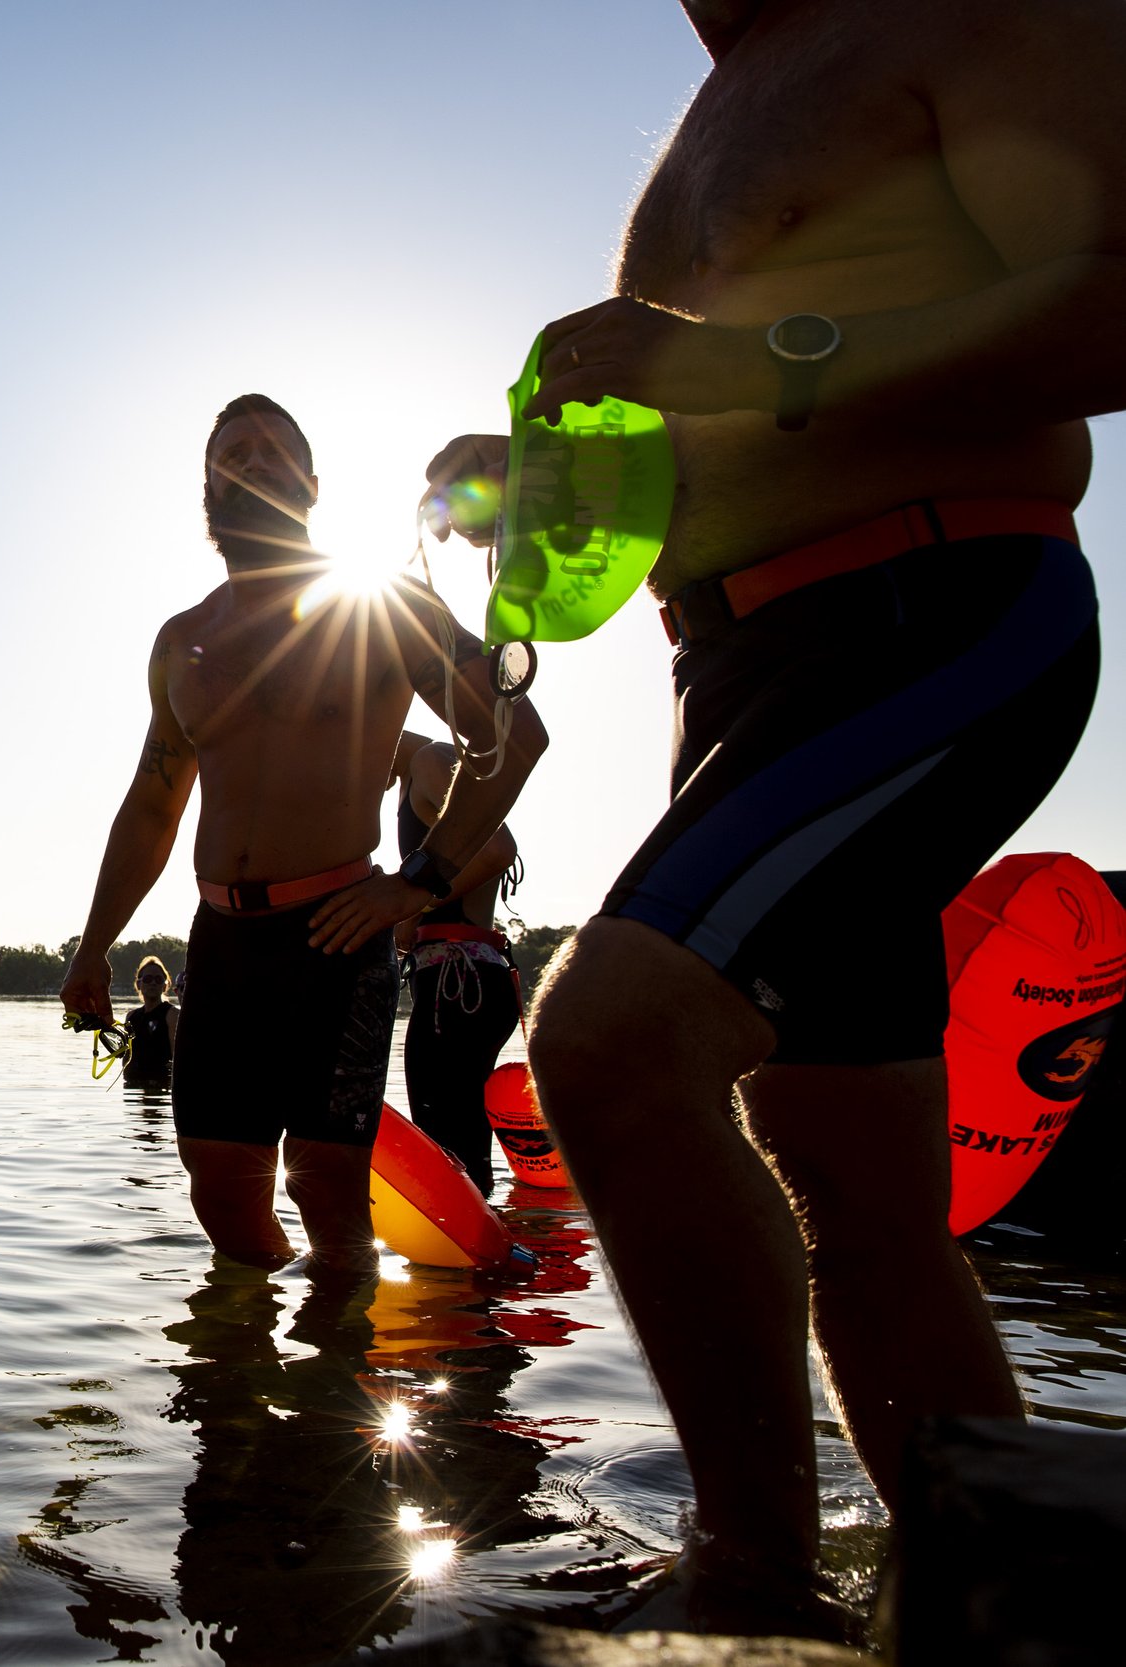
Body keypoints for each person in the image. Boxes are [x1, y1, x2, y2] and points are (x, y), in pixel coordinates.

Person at [419, 0, 1118, 1632]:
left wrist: (743, 361)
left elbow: (1111, 298)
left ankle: (754, 1581)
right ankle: (996, 1581)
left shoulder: (959, 15)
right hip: (737, 665)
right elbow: (737, 388)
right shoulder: (724, 103)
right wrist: (545, 485)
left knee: (609, 1041)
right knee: (853, 1178)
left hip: (934, 611)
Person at [62, 395, 545, 1274]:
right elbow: (150, 804)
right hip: (221, 939)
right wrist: (94, 944)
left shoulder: (386, 606)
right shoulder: (183, 641)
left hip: (338, 929)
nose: (252, 460)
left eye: (273, 449)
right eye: (233, 452)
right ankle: (238, 1393)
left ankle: (332, 1398)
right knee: (217, 1185)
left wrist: (420, 878)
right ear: (207, 485)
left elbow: (514, 740)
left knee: (325, 1184)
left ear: (312, 484)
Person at [390, 731, 523, 1194]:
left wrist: (412, 906)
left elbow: (497, 849)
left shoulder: (433, 759)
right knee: (451, 1138)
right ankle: (479, 1250)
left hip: (461, 983)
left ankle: (472, 1260)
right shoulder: (418, 774)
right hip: (454, 979)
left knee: (448, 1145)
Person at [122, 956, 179, 1091]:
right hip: (132, 1088)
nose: (153, 983)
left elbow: (178, 1058)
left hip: (161, 1087)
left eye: (158, 979)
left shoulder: (171, 1014)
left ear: (165, 985)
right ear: (138, 984)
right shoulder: (131, 1016)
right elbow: (126, 1055)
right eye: (148, 979)